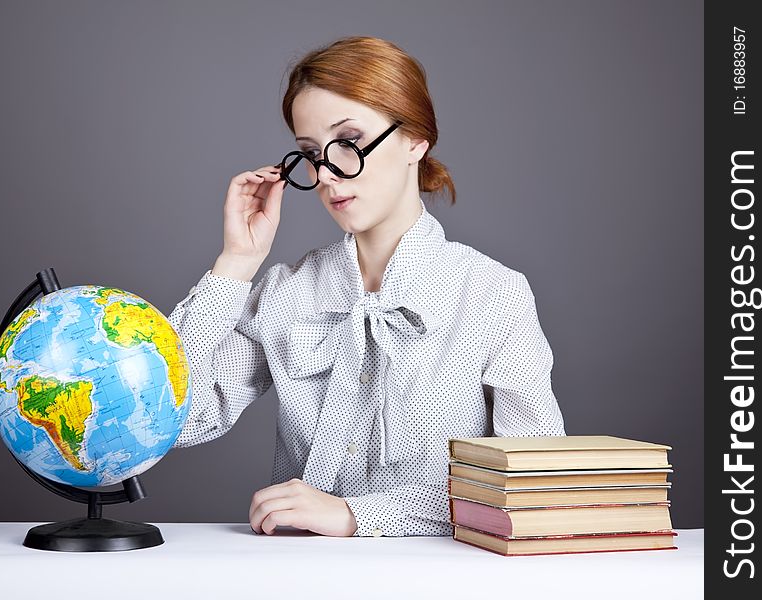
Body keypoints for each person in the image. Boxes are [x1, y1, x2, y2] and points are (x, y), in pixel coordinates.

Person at [168, 36, 565, 538]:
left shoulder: (491, 293)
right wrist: (235, 264)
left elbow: (533, 483)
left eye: (350, 142)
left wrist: (358, 516)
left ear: (415, 141)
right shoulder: (286, 294)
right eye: (310, 153)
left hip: (449, 578)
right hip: (300, 575)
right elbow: (174, 421)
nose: (328, 172)